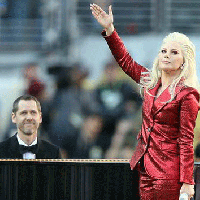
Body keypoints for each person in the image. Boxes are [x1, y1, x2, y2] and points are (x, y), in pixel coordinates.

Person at [90, 3, 200, 200]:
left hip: (168, 174)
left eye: (174, 52)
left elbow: (186, 141)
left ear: (184, 61)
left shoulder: (187, 94)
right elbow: (125, 61)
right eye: (164, 51)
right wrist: (110, 29)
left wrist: (187, 182)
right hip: (144, 168)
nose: (166, 55)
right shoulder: (150, 82)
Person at [0, 95, 61, 159]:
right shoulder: (1, 151)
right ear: (14, 117)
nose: (29, 118)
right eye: (24, 113)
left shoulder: (54, 153)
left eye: (33, 112)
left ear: (40, 117)